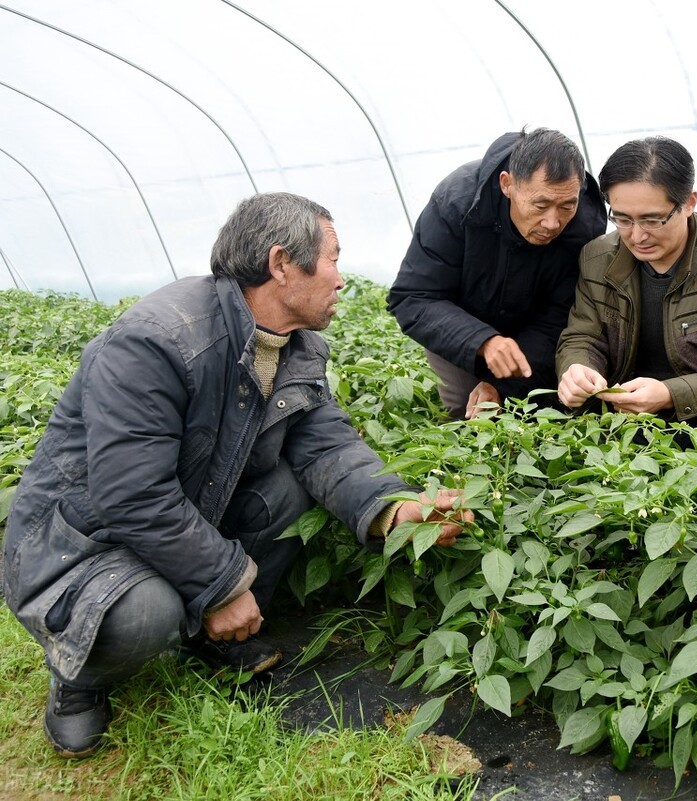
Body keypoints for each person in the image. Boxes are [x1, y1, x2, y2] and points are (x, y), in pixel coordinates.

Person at [2, 193, 473, 759]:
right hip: (79, 542)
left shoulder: (296, 348)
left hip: (179, 512)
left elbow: (324, 443)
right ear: (281, 264)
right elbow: (130, 495)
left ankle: (204, 639)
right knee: (146, 613)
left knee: (291, 488)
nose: (342, 279)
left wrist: (395, 509)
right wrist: (222, 585)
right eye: (332, 259)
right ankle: (78, 679)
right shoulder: (157, 340)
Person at [556, 136, 697, 461]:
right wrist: (578, 368)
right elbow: (583, 336)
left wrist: (669, 393)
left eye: (652, 220)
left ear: (688, 203)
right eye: (621, 218)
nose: (636, 235)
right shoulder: (598, 258)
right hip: (627, 418)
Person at [388, 128, 607, 420]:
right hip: (461, 324)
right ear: (508, 184)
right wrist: (482, 341)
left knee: (537, 411)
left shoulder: (584, 226)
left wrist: (503, 386)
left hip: (534, 330)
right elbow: (413, 297)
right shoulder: (457, 202)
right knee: (466, 412)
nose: (553, 222)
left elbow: (561, 315)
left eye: (567, 205)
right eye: (540, 205)